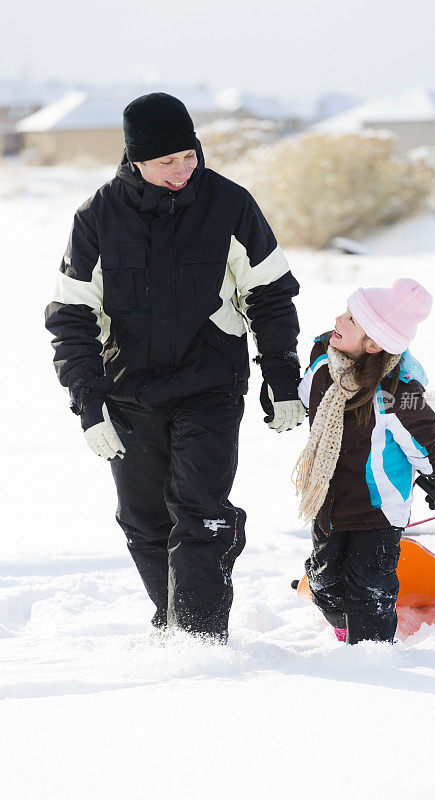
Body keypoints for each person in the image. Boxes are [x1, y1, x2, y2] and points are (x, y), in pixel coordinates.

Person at [44, 92, 305, 643]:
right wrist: (88, 402)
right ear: (135, 158)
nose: (184, 169)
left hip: (210, 382)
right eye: (168, 161)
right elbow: (71, 316)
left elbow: (271, 295)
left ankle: (199, 641)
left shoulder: (230, 204)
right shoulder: (97, 218)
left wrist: (282, 377)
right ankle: (175, 617)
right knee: (142, 518)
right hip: (128, 389)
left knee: (197, 511)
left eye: (189, 155)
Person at [293, 278, 435, 645]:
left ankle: (372, 657)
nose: (339, 317)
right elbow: (302, 395)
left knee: (369, 589)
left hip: (378, 509)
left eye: (351, 318)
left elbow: (424, 436)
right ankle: (342, 627)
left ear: (373, 344)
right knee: (326, 584)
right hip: (328, 501)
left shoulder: (398, 390)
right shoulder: (324, 369)